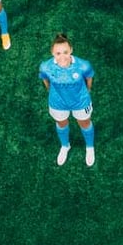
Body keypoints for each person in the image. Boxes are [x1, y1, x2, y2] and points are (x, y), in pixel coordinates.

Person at [39, 33, 96, 167]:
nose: (62, 56)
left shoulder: (83, 65)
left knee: (85, 123)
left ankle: (89, 147)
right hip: (58, 103)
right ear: (52, 53)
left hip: (80, 101)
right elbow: (44, 79)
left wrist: (87, 90)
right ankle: (65, 146)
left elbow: (89, 78)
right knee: (61, 123)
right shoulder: (46, 66)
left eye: (65, 52)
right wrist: (49, 90)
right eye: (58, 53)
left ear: (71, 50)